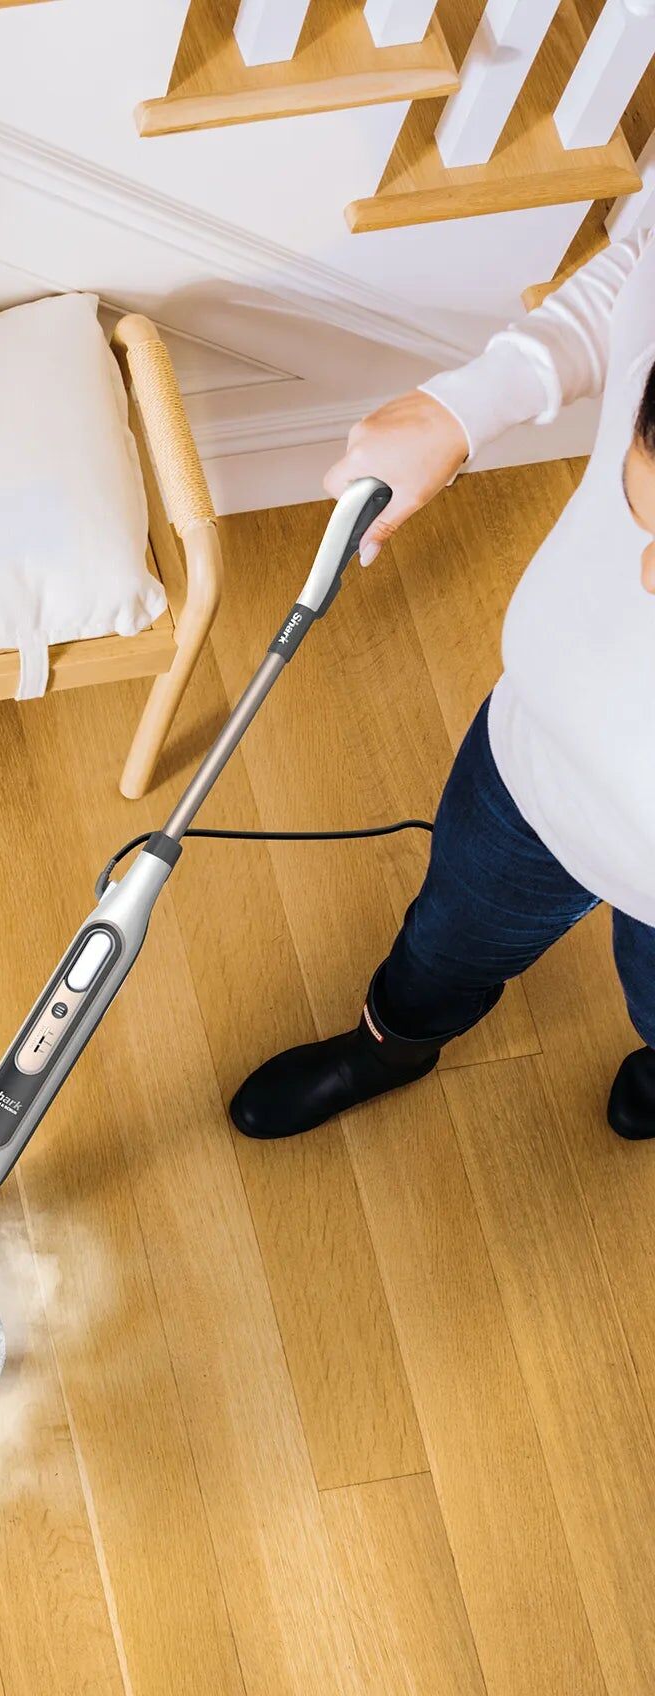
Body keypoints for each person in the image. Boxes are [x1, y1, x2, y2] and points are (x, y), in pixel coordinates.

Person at [231, 229, 655, 1142]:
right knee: (446, 940)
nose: (646, 579)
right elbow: (645, 268)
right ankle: (391, 1046)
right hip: (532, 765)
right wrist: (460, 408)